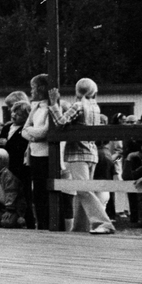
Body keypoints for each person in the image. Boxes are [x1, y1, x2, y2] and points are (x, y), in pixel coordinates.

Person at [49, 77, 111, 234]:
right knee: (83, 189)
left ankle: (103, 222)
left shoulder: (78, 106)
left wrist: (54, 104)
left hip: (77, 153)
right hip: (92, 152)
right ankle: (80, 227)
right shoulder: (95, 108)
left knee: (83, 190)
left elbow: (61, 122)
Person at [22, 74, 55, 230]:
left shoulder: (51, 107)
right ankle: (40, 223)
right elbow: (23, 130)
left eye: (33, 87)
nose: (31, 91)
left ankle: (49, 223)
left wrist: (32, 134)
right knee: (37, 192)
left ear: (41, 88)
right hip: (35, 154)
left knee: (46, 190)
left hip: (46, 155)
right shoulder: (35, 106)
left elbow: (44, 132)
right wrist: (33, 134)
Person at [0, 148, 26, 228]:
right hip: (1, 207)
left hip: (14, 207)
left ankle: (19, 219)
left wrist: (10, 209)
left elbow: (11, 193)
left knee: (7, 223)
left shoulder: (8, 176)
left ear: (3, 162)